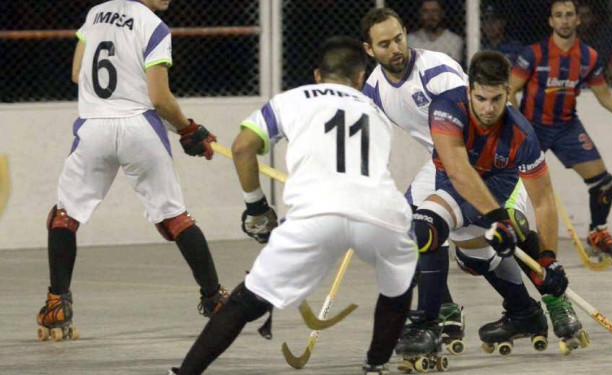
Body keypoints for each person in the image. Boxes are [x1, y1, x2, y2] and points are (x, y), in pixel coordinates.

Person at [169, 36, 417, 375]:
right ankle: (375, 365)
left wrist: (256, 207)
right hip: (380, 210)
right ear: (360, 79)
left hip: (315, 214)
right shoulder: (377, 115)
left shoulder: (292, 99)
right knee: (399, 283)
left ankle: (185, 374)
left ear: (318, 75)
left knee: (247, 301)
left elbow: (243, 147)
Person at [36, 0, 229, 342]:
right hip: (139, 129)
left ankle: (56, 304)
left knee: (65, 216)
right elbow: (160, 99)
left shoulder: (95, 13)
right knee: (175, 217)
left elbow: (77, 73)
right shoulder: (153, 25)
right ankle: (214, 299)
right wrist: (188, 130)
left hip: (94, 126)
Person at [427, 50, 586, 357]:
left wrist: (550, 259)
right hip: (458, 180)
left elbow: (543, 200)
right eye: (482, 99)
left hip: (504, 181)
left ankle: (557, 303)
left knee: (513, 222)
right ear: (469, 89)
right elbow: (459, 172)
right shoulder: (448, 107)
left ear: (508, 93)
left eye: (496, 99)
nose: (488, 108)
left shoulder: (521, 134)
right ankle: (522, 312)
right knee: (472, 258)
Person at [509, 0, 612, 260]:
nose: (564, 20)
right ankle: (484, 235)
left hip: (566, 127)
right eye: (558, 15)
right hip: (532, 128)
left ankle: (598, 234)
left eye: (569, 15)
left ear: (578, 20)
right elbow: (510, 90)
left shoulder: (588, 57)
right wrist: (519, 125)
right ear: (550, 21)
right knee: (506, 183)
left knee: (605, 186)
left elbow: (605, 96)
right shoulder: (533, 54)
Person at [361, 7, 470, 356]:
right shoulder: (374, 89)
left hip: (472, 160)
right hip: (438, 161)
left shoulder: (437, 70)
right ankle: (442, 311)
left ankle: (541, 303)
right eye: (384, 44)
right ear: (369, 50)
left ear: (406, 32)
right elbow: (369, 145)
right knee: (406, 232)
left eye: (398, 38)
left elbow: (474, 125)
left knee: (483, 254)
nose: (395, 48)